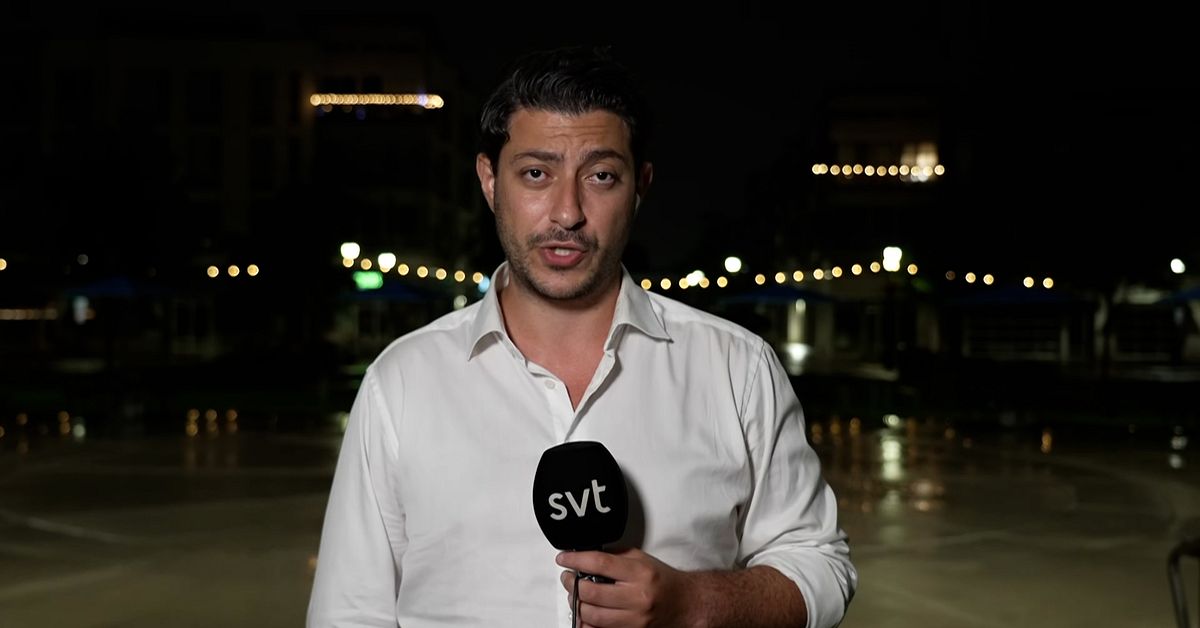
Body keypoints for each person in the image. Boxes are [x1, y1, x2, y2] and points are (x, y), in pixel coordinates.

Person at [307, 45, 856, 628]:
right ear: (490, 181)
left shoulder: (736, 368)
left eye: (600, 176)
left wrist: (693, 602)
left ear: (640, 187)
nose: (567, 212)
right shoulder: (402, 381)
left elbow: (821, 565)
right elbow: (349, 613)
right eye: (536, 174)